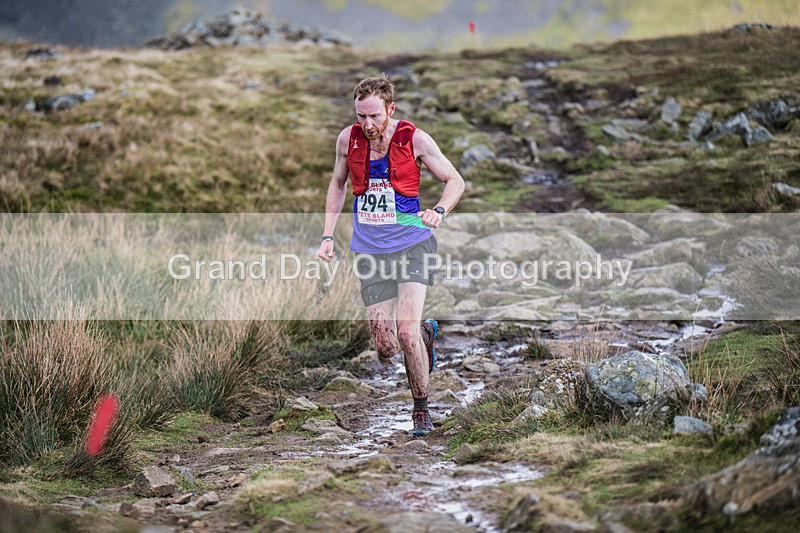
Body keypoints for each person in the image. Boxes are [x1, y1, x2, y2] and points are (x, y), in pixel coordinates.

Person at [318, 74, 465, 437]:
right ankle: (426, 337)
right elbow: (337, 184)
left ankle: (420, 409)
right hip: (370, 251)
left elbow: (455, 180)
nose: (367, 125)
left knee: (405, 330)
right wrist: (326, 236)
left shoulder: (414, 138)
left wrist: (439, 211)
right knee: (385, 345)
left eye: (373, 116)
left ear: (390, 109)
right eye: (360, 117)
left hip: (413, 244)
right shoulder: (347, 140)